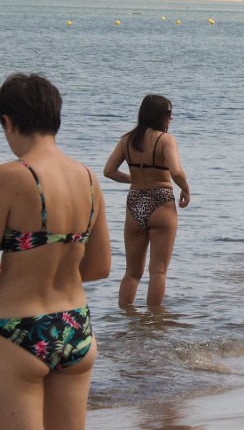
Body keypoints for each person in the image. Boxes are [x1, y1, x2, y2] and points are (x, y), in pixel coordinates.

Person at [0, 73, 111, 429]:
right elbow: (99, 268)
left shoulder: (11, 177)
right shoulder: (89, 179)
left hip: (17, 329)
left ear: (9, 121)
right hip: (75, 328)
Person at [104, 95, 190, 307]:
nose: (171, 118)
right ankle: (153, 325)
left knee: (132, 272)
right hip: (161, 201)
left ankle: (126, 320)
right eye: (168, 114)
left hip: (135, 202)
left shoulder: (127, 140)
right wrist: (186, 189)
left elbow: (109, 171)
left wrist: (133, 179)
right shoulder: (165, 139)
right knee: (158, 271)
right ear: (159, 115)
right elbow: (176, 170)